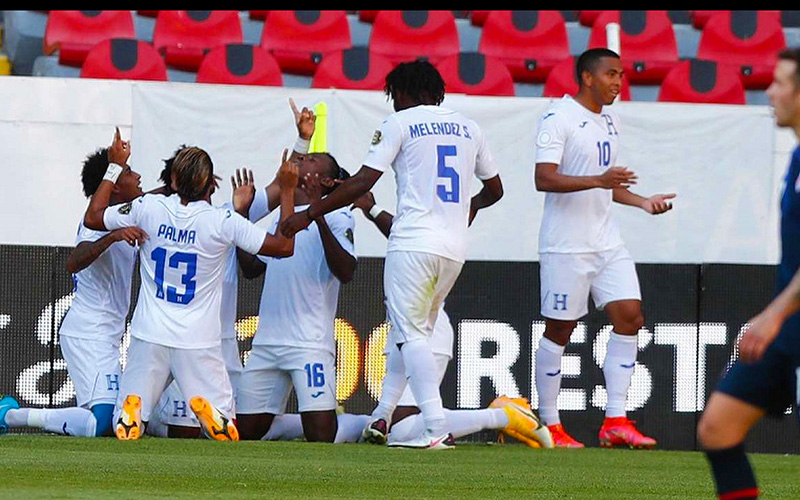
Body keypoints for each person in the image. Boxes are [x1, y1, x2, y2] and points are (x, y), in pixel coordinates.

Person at [281, 60, 504, 449]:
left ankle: (435, 426)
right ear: (438, 92)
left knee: (412, 334)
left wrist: (309, 214)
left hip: (413, 244)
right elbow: (495, 190)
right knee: (409, 331)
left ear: (400, 93)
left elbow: (365, 180)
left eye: (392, 96)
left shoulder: (400, 123)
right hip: (453, 248)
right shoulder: (471, 128)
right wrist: (467, 210)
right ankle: (384, 414)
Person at [80, 133, 298, 441]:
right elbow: (284, 246)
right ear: (210, 185)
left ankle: (132, 414)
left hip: (149, 333)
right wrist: (288, 190)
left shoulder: (148, 208)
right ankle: (217, 416)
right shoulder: (222, 220)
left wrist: (115, 166)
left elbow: (93, 217)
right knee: (225, 425)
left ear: (172, 179)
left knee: (129, 413)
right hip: (198, 340)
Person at [532, 48, 675, 448]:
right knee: (560, 330)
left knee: (630, 316)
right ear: (587, 77)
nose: (618, 82)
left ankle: (615, 419)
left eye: (622, 75)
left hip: (607, 241)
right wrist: (598, 180)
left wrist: (643, 202)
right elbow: (543, 178)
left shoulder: (610, 120)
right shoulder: (557, 118)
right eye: (611, 74)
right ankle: (551, 424)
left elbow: (607, 183)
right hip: (566, 245)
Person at [351, 192, 552, 448]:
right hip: (411, 326)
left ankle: (504, 415)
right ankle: (381, 417)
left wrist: (373, 209)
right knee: (391, 423)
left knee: (402, 429)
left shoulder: (434, 218)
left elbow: (406, 233)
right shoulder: (434, 215)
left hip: (427, 331)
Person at [234, 100, 370, 443]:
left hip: (309, 343)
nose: (299, 163)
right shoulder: (287, 211)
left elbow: (347, 271)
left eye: (308, 160)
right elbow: (251, 269)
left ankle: (360, 424)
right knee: (246, 434)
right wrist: (240, 221)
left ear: (324, 180)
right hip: (267, 342)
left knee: (321, 437)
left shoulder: (339, 217)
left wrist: (317, 215)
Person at [698, 48, 800, 500]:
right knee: (717, 429)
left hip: (784, 320)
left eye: (780, 82)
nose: (769, 91)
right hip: (787, 325)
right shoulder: (796, 157)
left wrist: (772, 315)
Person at [0, 131, 145, 437]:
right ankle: (10, 415)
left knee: (115, 419)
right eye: (130, 172)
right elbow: (74, 261)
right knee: (103, 424)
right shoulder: (101, 220)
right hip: (89, 334)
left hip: (104, 333)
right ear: (116, 185)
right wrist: (113, 237)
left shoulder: (119, 212)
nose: (139, 176)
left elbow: (155, 197)